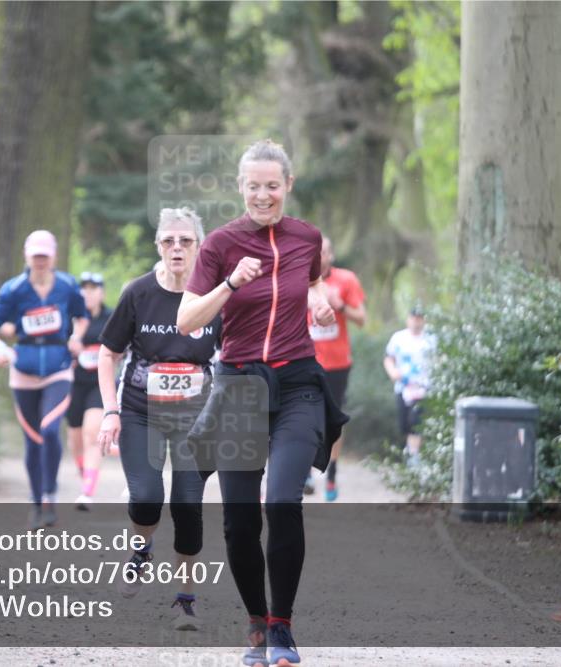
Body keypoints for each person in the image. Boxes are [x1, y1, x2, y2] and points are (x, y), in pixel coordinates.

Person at [177, 139, 346, 667]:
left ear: (288, 186)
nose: (263, 194)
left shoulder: (307, 238)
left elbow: (311, 283)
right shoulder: (220, 246)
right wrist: (230, 282)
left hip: (297, 383)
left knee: (282, 500)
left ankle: (282, 627)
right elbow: (188, 321)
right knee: (240, 519)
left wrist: (318, 306)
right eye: (253, 185)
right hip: (239, 388)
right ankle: (255, 618)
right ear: (241, 187)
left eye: (272, 185)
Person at [97, 207, 221, 631]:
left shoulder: (214, 298)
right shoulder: (138, 293)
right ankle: (141, 549)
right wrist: (110, 412)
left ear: (199, 246)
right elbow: (107, 354)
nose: (176, 248)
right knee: (148, 496)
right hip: (140, 412)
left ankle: (185, 599)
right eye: (168, 240)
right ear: (158, 246)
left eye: (185, 241)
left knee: (187, 505)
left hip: (195, 419)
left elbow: (235, 358)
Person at [0, 230, 88, 530]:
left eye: (45, 256)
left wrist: (77, 337)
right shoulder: (14, 289)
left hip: (58, 368)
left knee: (50, 430)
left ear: (53, 256)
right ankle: (36, 500)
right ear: (27, 257)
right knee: (33, 440)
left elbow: (81, 316)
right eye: (35, 256)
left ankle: (50, 495)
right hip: (24, 371)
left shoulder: (67, 285)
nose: (40, 261)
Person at [306, 236, 365, 501]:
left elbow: (362, 319)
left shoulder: (347, 280)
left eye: (325, 252)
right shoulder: (299, 280)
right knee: (304, 417)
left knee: (333, 422)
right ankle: (306, 472)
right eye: (316, 253)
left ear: (332, 255)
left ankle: (331, 473)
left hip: (338, 364)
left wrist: (339, 305)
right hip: (306, 362)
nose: (321, 258)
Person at [66, 272, 112, 511]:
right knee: (75, 436)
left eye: (94, 289)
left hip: (99, 383)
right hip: (74, 382)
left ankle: (87, 491)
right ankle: (85, 472)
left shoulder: (111, 316)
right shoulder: (70, 317)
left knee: (91, 433)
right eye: (84, 289)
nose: (88, 293)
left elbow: (122, 343)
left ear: (101, 293)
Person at [383, 304, 434, 468]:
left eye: (419, 319)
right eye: (414, 318)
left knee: (416, 421)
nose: (416, 322)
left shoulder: (431, 339)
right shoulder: (398, 338)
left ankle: (414, 458)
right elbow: (388, 358)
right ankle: (411, 453)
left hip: (422, 388)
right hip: (403, 387)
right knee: (405, 424)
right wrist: (393, 372)